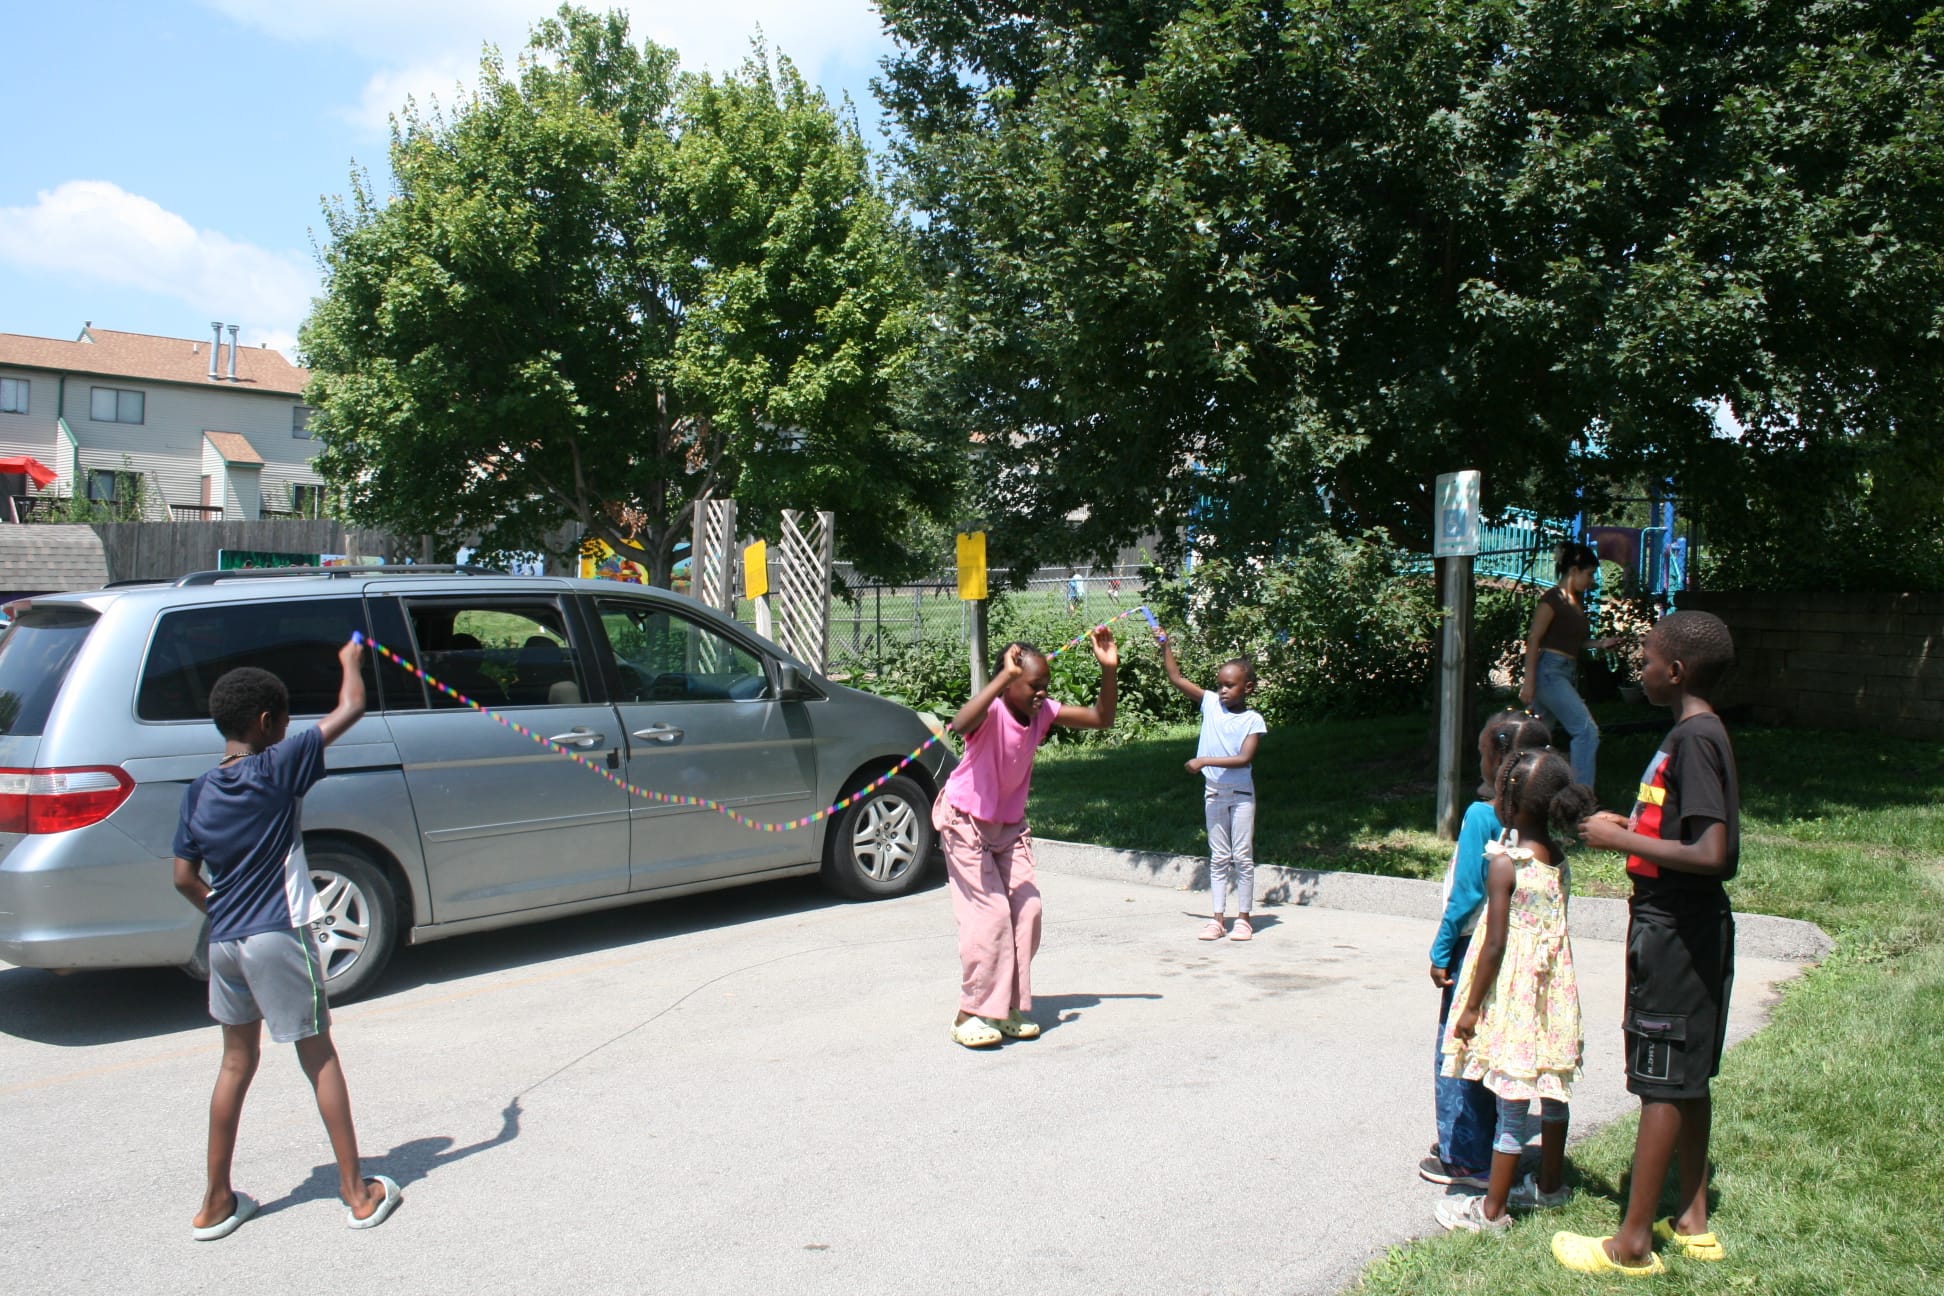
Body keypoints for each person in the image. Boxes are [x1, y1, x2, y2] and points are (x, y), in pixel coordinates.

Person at [171, 639, 403, 1239]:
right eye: (284, 719)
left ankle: (215, 1203)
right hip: (278, 933)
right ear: (267, 722)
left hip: (224, 942)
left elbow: (184, 878)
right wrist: (350, 661)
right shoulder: (278, 766)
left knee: (235, 1062)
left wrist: (222, 910)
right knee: (317, 1054)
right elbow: (351, 708)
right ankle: (357, 1193)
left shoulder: (198, 789)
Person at [1554, 611, 1740, 1276]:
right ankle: (1691, 1219)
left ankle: (1631, 1246)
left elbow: (1714, 853)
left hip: (1676, 931)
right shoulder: (1692, 734)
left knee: (1661, 1081)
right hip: (1684, 924)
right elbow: (1683, 826)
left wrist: (1619, 840)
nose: (1640, 668)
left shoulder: (1696, 738)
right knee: (1688, 1076)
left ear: (1677, 671)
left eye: (1647, 660)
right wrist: (1632, 825)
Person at [1436, 747, 1593, 1232]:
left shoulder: (1506, 864)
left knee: (1512, 1104)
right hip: (1553, 993)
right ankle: (1549, 1187)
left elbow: (1494, 944)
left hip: (1516, 996)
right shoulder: (1558, 860)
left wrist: (1469, 1009)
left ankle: (1493, 1210)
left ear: (1510, 803)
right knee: (1553, 1094)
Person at [937, 631, 1119, 1047]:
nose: (1042, 693)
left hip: (1009, 827)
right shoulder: (991, 711)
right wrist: (1002, 677)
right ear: (1009, 683)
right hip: (965, 822)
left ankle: (1004, 1008)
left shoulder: (1042, 713)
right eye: (1034, 685)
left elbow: (1101, 718)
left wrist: (1108, 669)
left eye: (1045, 685)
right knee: (990, 917)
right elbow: (959, 724)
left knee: (1027, 911)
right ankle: (969, 1014)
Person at [1422, 710, 1552, 1190]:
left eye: (1481, 753)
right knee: (1493, 1047)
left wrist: (1440, 949)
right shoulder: (1538, 822)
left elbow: (1466, 894)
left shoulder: (1481, 815)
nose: (1479, 760)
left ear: (1500, 760)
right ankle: (1492, 1144)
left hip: (1470, 948)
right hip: (1513, 949)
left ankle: (1464, 1157)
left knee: (1457, 1048)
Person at [1157, 630, 1267, 941]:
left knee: (1242, 855)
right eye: (1220, 685)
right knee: (1218, 856)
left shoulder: (1252, 720)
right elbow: (1176, 678)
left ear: (1247, 688)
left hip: (1241, 795)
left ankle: (1243, 919)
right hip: (1214, 793)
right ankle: (1217, 919)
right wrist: (1166, 646)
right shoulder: (1210, 704)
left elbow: (1244, 758)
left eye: (1229, 685)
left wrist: (1204, 760)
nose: (1222, 691)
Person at [1518, 541, 1617, 788]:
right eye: (1589, 574)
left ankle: (1516, 790)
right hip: (1550, 673)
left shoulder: (1574, 602)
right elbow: (1534, 639)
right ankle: (1581, 797)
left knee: (1534, 739)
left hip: (1563, 672)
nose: (1591, 581)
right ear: (1574, 570)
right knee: (1586, 732)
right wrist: (1528, 682)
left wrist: (1601, 644)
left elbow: (1573, 643)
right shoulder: (1552, 599)